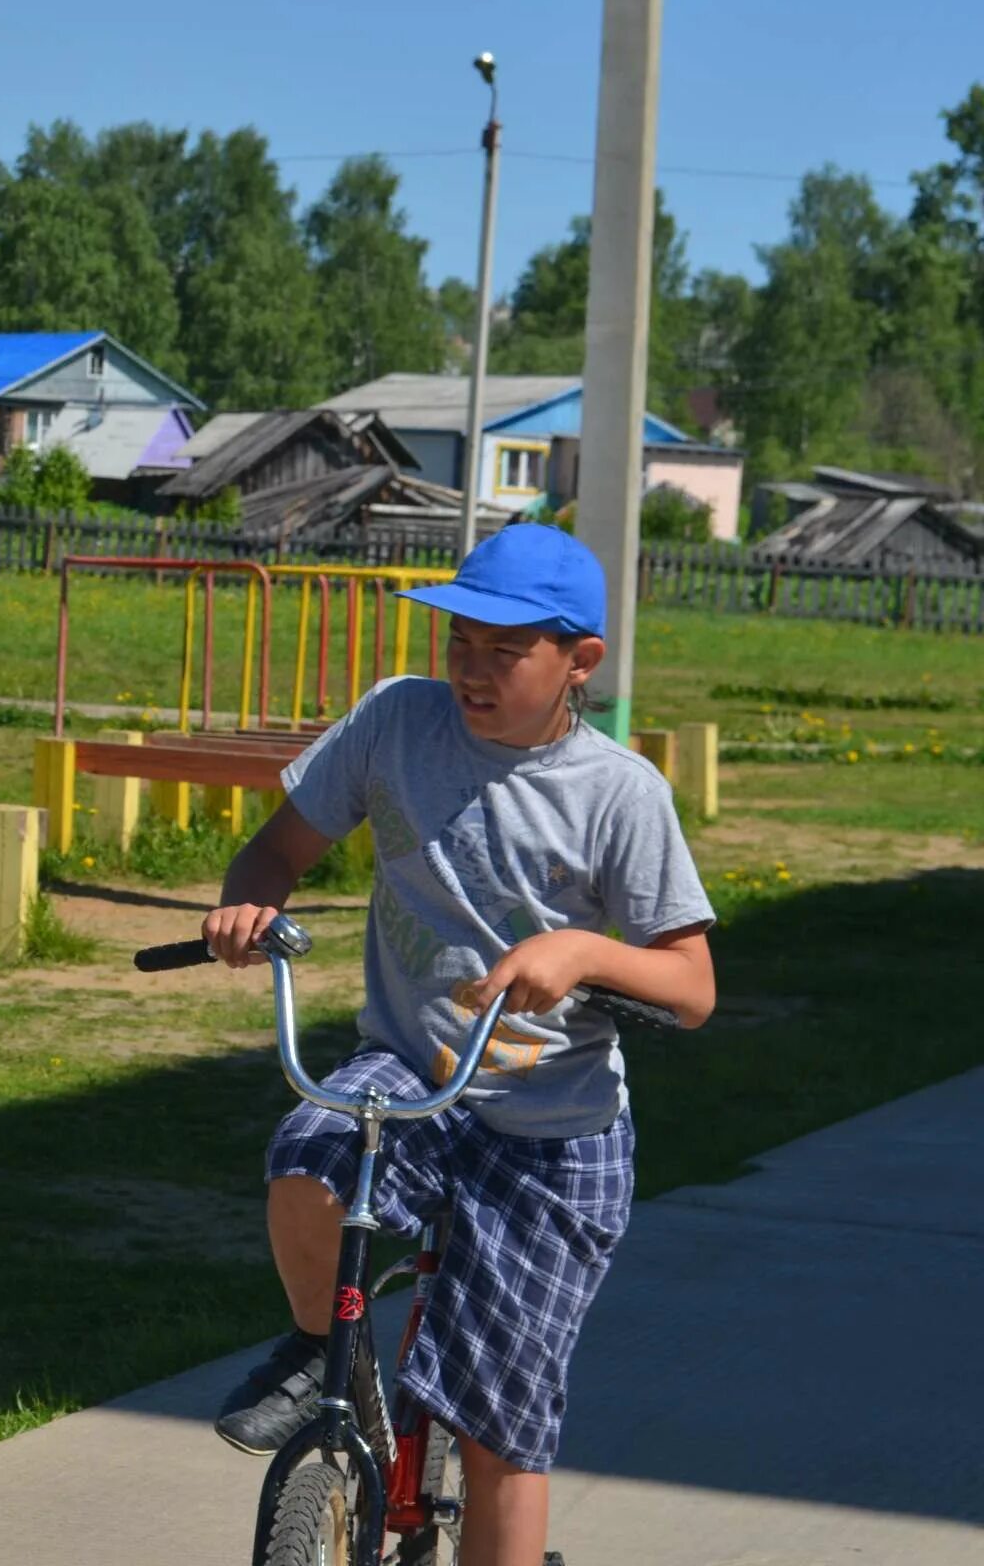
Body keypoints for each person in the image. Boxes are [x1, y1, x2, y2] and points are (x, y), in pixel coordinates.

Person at [200, 524, 716, 1566]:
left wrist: (581, 951)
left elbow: (691, 986)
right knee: (306, 1159)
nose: (471, 673)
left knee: (496, 1435)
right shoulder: (399, 721)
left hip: (551, 1130)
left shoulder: (620, 793)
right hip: (408, 1065)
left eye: (504, 652)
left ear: (580, 662)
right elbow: (277, 848)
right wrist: (247, 909)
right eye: (460, 645)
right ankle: (320, 1353)